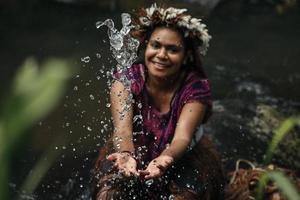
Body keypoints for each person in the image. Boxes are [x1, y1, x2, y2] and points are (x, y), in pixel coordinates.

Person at [92, 3, 224, 200]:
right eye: (156, 45)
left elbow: (182, 138)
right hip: (129, 147)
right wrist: (127, 155)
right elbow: (123, 131)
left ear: (186, 55)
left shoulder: (195, 88)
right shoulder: (126, 81)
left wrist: (164, 159)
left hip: (182, 155)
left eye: (172, 49)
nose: (161, 55)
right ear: (146, 46)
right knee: (107, 195)